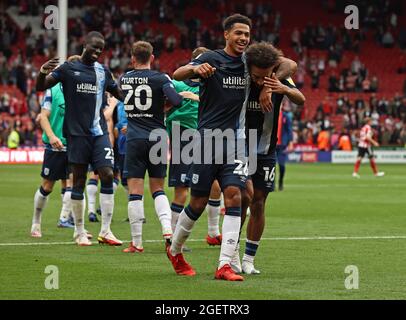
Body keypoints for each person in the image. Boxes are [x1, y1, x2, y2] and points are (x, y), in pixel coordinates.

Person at [166, 14, 297, 281]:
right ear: (226, 34)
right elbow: (177, 74)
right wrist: (195, 70)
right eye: (238, 33)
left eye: (247, 35)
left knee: (236, 196)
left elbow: (289, 63)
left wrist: (268, 87)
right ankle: (175, 250)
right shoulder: (211, 59)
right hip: (206, 140)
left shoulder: (250, 63)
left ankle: (225, 265)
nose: (243, 38)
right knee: (198, 202)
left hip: (237, 143)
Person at [36, 31, 125, 246]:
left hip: (99, 133)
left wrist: (136, 99)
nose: (97, 52)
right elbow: (42, 85)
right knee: (79, 181)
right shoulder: (68, 69)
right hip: (76, 135)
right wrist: (41, 72)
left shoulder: (103, 71)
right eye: (94, 47)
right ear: (84, 44)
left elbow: (118, 92)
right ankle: (79, 231)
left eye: (101, 49)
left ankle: (105, 230)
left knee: (106, 173)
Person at [120, 41, 198, 253]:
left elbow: (127, 102)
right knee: (158, 188)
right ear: (152, 58)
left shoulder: (124, 78)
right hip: (157, 137)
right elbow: (176, 101)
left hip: (134, 137)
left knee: (135, 191)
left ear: (133, 58)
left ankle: (137, 243)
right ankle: (168, 233)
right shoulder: (161, 78)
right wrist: (178, 98)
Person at [240, 42, 305, 274]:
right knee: (242, 198)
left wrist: (279, 87)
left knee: (258, 203)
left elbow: (300, 98)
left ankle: (248, 260)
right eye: (257, 77)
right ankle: (230, 253)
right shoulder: (241, 77)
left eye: (264, 77)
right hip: (239, 148)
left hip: (266, 150)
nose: (260, 81)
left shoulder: (276, 79)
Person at [166, 46, 222, 247]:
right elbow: (161, 105)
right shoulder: (177, 83)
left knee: (216, 183)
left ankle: (213, 232)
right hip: (182, 136)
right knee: (182, 189)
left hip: (206, 137)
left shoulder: (212, 86)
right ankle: (172, 236)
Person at [30, 82, 75, 238]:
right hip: (54, 146)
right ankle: (36, 223)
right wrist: (51, 136)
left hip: (74, 145)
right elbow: (43, 116)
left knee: (73, 182)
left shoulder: (81, 89)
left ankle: (68, 221)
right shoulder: (53, 91)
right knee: (47, 186)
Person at [275, 102, 293, 191]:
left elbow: (289, 130)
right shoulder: (271, 115)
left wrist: (290, 142)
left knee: (281, 165)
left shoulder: (286, 117)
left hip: (282, 145)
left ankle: (280, 181)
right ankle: (271, 184)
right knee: (271, 166)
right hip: (272, 145)